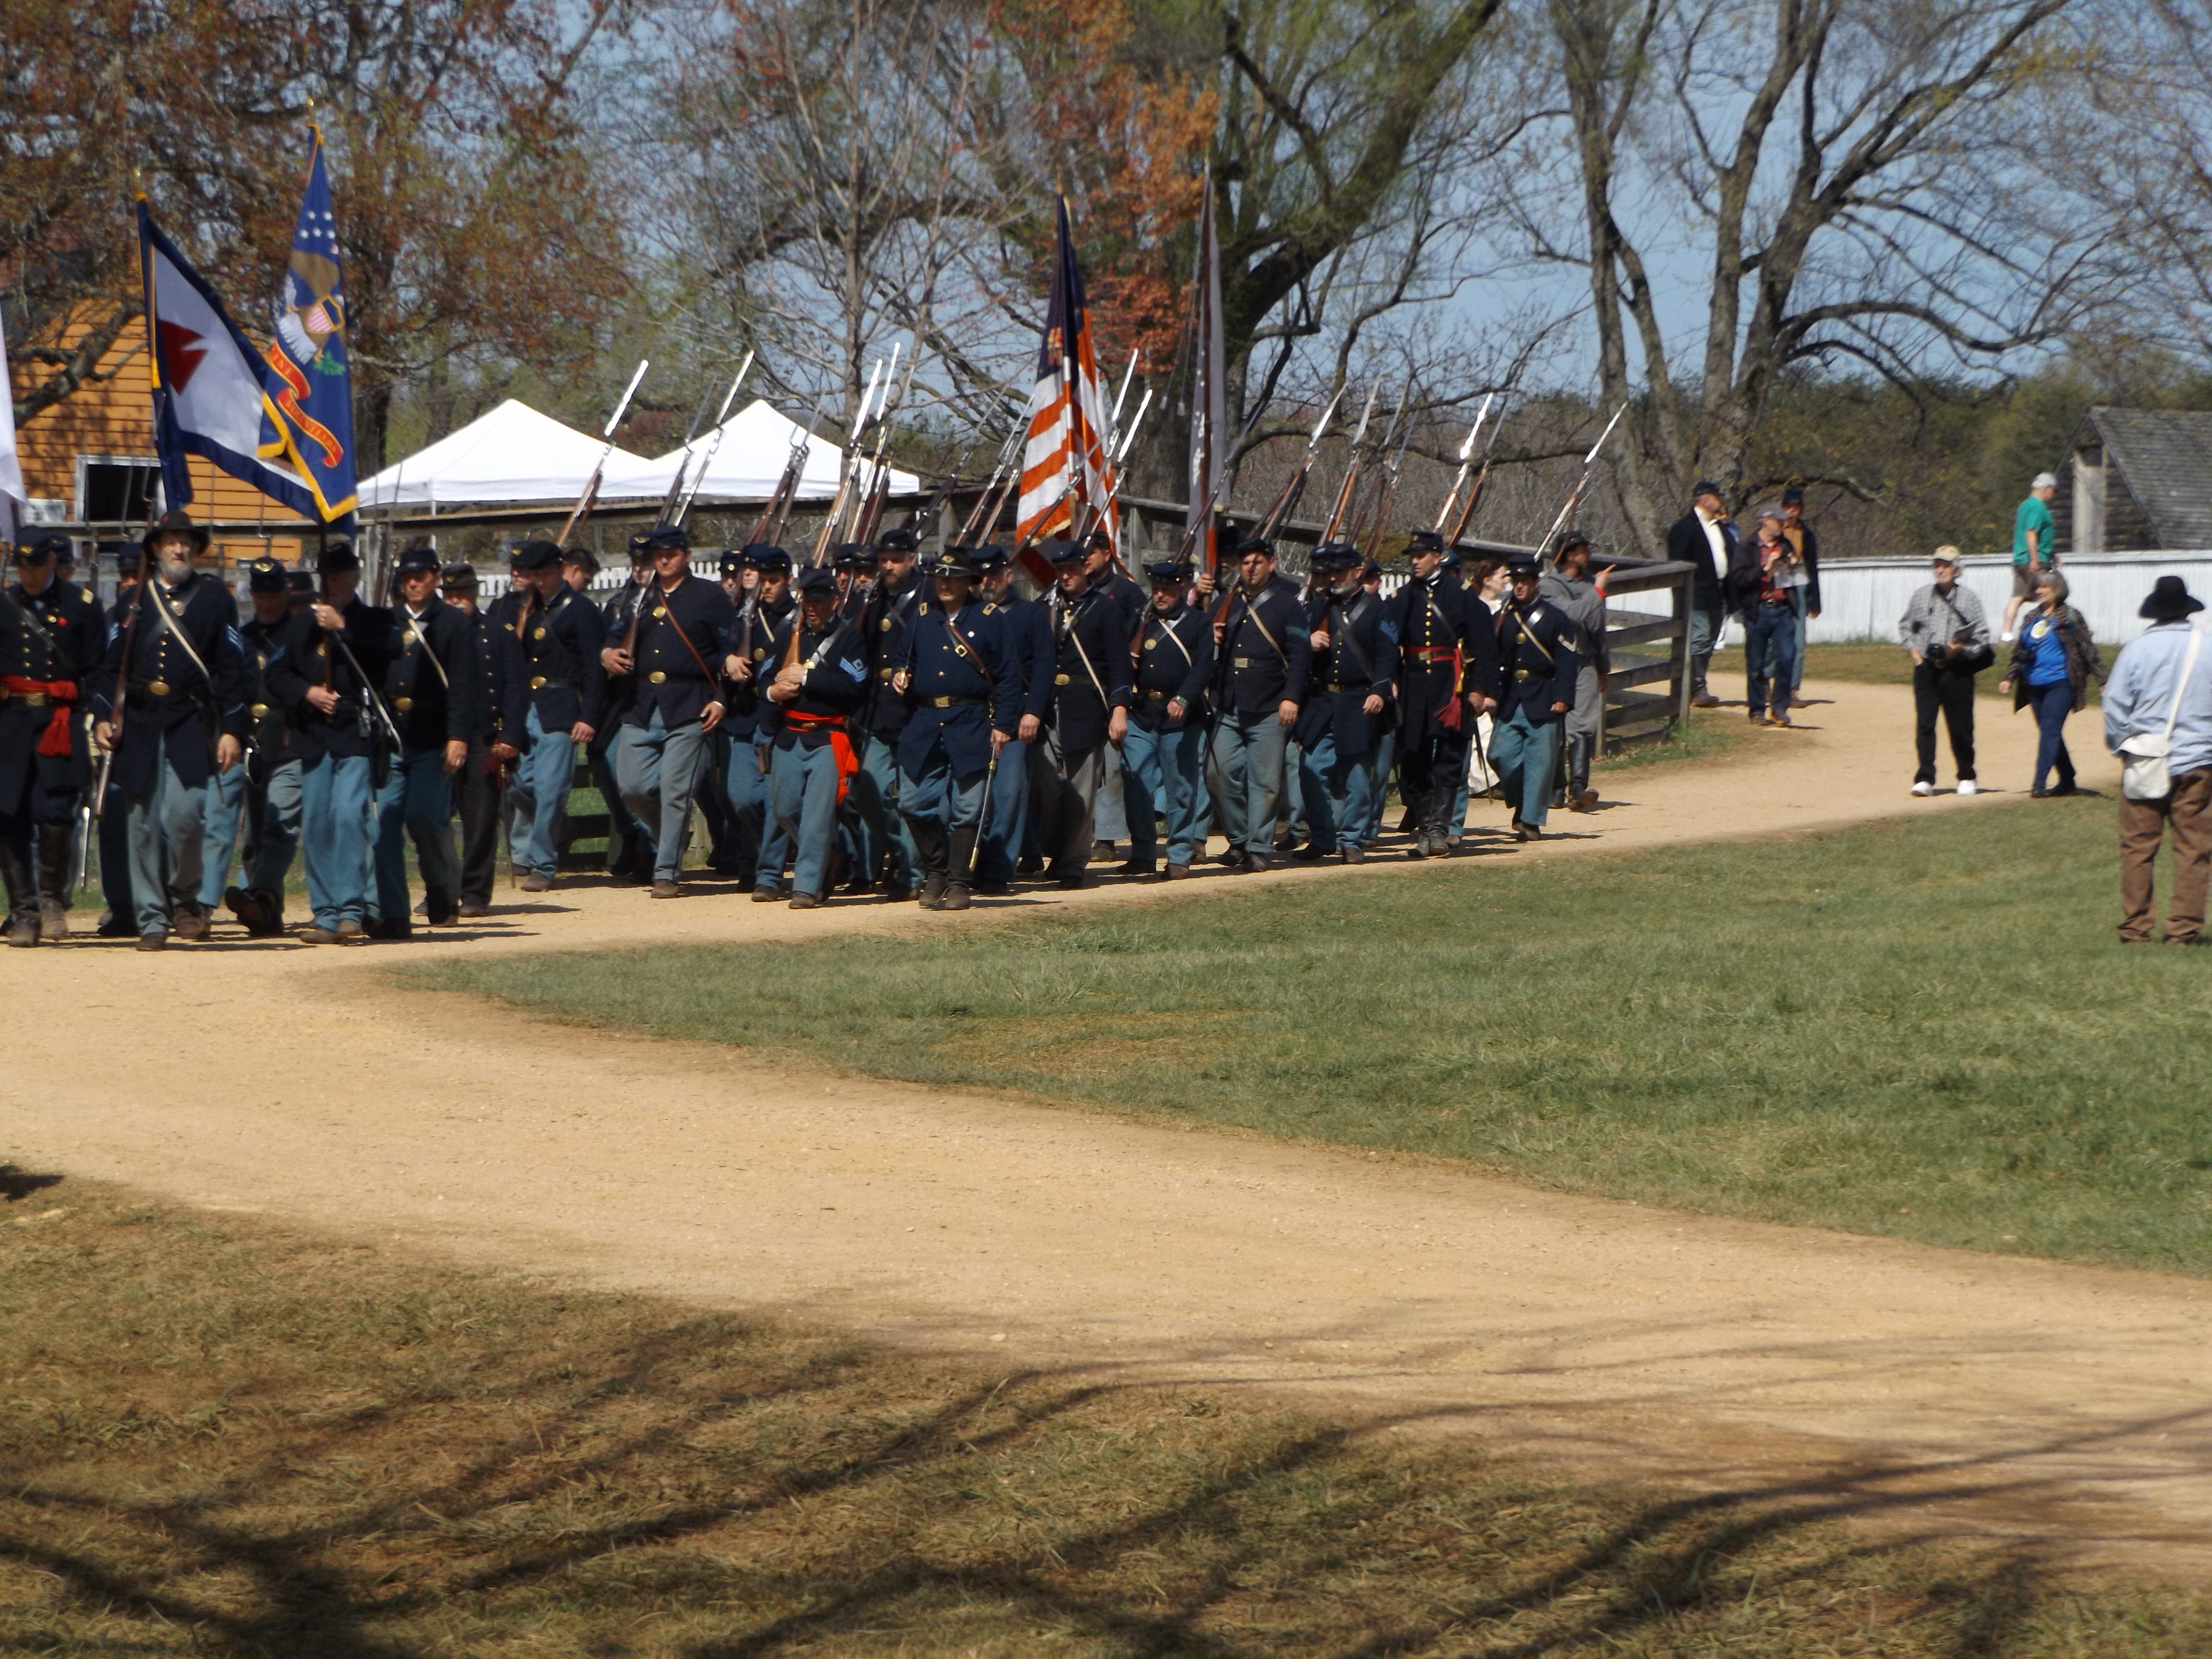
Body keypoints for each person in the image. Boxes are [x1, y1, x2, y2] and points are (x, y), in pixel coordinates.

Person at [89, 511, 248, 949]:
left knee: (187, 817)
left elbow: (232, 669)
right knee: (141, 824)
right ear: (157, 549)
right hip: (140, 722)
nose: (179, 549)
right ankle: (152, 919)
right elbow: (108, 668)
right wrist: (102, 716)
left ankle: (185, 896)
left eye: (185, 542)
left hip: (188, 720)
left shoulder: (215, 599)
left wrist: (232, 729)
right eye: (171, 542)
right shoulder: (132, 601)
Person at [269, 541, 396, 944]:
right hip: (313, 736)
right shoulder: (301, 626)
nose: (334, 584)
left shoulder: (373, 619)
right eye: (328, 577)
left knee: (348, 815)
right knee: (318, 824)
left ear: (355, 579)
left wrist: (343, 627)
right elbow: (276, 675)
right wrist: (306, 693)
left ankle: (352, 908)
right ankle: (325, 913)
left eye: (341, 577)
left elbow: (391, 647)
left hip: (355, 732)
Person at [608, 525, 734, 900]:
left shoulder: (709, 596)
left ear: (686, 555)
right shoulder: (639, 595)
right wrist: (607, 652)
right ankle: (669, 838)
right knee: (632, 787)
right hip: (642, 702)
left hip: (690, 703)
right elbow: (615, 634)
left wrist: (721, 699)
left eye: (672, 553)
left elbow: (729, 651)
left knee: (675, 791)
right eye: (659, 555)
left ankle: (666, 872)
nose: (664, 560)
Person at [893, 543, 1017, 910]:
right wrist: (900, 675)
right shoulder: (922, 616)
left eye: (953, 578)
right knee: (912, 802)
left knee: (969, 808)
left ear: (969, 582)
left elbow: (1008, 677)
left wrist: (1003, 724)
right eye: (939, 578)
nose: (944, 584)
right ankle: (937, 871)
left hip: (970, 722)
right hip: (925, 722)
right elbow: (903, 658)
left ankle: (959, 882)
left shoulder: (989, 618)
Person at [487, 537, 605, 892]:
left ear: (560, 569)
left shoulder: (581, 610)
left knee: (551, 791)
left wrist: (589, 716)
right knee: (518, 786)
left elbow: (594, 670)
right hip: (524, 709)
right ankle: (562, 829)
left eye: (546, 573)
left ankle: (543, 864)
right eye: (535, 574)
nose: (541, 580)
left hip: (561, 708)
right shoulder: (525, 609)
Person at [372, 540, 477, 933]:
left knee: (426, 819)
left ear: (435, 577)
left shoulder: (452, 623)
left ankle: (439, 887)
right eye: (407, 578)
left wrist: (458, 736)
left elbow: (463, 684)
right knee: (385, 827)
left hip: (433, 738)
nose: (413, 584)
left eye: (420, 576)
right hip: (394, 738)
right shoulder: (387, 621)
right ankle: (394, 913)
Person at [2104, 577, 2212, 944]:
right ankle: (2183, 929)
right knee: (2194, 848)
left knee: (2138, 847)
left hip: (2145, 760)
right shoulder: (2208, 647)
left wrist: (2122, 747)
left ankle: (2136, 927)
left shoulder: (2136, 651)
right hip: (2198, 760)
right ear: (2187, 609)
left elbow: (2115, 707)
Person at [6, 533, 103, 938]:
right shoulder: (5, 603)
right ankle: (24, 911)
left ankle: (51, 901)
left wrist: (100, 717)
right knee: (8, 815)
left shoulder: (81, 605)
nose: (28, 575)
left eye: (35, 566)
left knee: (56, 813)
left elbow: (97, 669)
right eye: (22, 567)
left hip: (58, 720)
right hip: (11, 722)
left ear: (51, 563)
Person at [761, 565, 867, 908]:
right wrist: (772, 693)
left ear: (835, 601)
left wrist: (806, 678)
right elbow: (765, 677)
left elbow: (854, 687)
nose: (812, 607)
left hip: (827, 737)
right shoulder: (788, 635)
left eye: (819, 600)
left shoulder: (850, 639)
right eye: (808, 600)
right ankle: (828, 854)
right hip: (789, 735)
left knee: (817, 818)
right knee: (784, 810)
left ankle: (806, 887)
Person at [1208, 533, 1310, 873]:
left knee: (1265, 782)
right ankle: (1238, 838)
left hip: (1269, 701)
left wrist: (1291, 697)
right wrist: (1211, 637)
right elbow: (1203, 647)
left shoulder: (1287, 604)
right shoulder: (1226, 601)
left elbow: (1300, 655)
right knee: (1219, 774)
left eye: (1257, 562)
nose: (1250, 568)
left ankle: (1258, 846)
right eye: (1245, 563)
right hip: (1228, 700)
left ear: (1272, 564)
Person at [1390, 530, 1495, 858]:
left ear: (1437, 557)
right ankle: (1426, 831)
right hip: (1413, 686)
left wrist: (1478, 690)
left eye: (1420, 555)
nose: (1415, 561)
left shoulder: (1461, 596)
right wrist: (1390, 681)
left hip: (1451, 685)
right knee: (1413, 759)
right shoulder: (1403, 597)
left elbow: (1483, 647)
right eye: (1412, 556)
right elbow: (1388, 645)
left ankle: (1439, 831)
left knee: (1450, 758)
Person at [215, 557, 306, 937]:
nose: (267, 602)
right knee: (253, 836)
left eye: (273, 594)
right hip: (253, 742)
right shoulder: (242, 638)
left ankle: (261, 893)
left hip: (290, 741)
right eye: (261, 595)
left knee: (280, 824)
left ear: (286, 593)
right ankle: (267, 912)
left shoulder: (300, 634)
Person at [1034, 537, 1132, 889]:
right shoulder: (1045, 606)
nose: (1066, 575)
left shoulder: (1104, 609)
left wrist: (1119, 710)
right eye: (1060, 570)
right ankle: (1057, 852)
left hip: (1086, 706)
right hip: (1048, 707)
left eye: (1072, 569)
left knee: (1081, 791)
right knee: (1046, 785)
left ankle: (1073, 863)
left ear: (1085, 567)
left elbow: (1120, 665)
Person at [1294, 541, 1396, 863]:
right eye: (1332, 572)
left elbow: (1388, 655)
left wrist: (1379, 691)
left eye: (1340, 571)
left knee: (1357, 778)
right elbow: (1295, 645)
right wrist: (1308, 642)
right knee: (1311, 768)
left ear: (1357, 572)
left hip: (1358, 700)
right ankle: (1323, 837)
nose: (1334, 577)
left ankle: (1352, 840)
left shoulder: (1377, 609)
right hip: (1323, 701)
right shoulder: (1319, 607)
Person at [1122, 557, 1212, 879]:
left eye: (1167, 590)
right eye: (1156, 588)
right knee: (1136, 783)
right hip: (1142, 713)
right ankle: (1143, 853)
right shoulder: (1141, 619)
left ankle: (1179, 855)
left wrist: (1184, 698)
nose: (1160, 595)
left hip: (1181, 718)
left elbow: (1203, 666)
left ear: (1182, 588)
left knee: (1180, 789)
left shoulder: (1198, 622)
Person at [974, 543, 1052, 893]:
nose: (987, 581)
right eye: (980, 576)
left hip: (1017, 714)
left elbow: (1044, 667)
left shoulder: (1030, 614)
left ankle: (1000, 869)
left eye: (993, 574)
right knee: (977, 797)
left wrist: (1033, 711)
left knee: (1009, 793)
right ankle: (973, 865)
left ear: (1008, 575)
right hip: (974, 715)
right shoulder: (970, 615)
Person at [854, 527, 925, 901]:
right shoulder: (871, 598)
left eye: (896, 560)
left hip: (914, 710)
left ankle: (912, 874)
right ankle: (902, 854)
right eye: (884, 560)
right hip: (876, 711)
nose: (888, 566)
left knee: (910, 797)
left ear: (912, 559)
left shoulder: (928, 595)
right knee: (868, 790)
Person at [1489, 553, 1579, 842]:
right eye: (1516, 581)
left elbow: (1567, 661)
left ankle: (1530, 821)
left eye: (1525, 581)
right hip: (1510, 698)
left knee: (1540, 765)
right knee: (1500, 755)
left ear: (1536, 583)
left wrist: (1563, 696)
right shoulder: (1503, 617)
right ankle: (1522, 803)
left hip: (1544, 697)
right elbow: (1491, 658)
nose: (1519, 586)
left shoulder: (1556, 618)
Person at [722, 544, 791, 894]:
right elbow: (721, 647)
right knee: (742, 797)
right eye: (763, 580)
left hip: (779, 719)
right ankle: (754, 859)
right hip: (745, 716)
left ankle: (767, 875)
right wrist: (728, 660)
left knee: (773, 800)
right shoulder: (744, 615)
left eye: (774, 580)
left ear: (788, 579)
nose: (767, 587)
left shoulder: (798, 617)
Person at [1998, 568, 2103, 797]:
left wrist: (2101, 679)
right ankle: (2067, 778)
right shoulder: (2031, 617)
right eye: (2038, 587)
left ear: (2058, 590)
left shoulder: (2070, 616)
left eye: (2045, 587)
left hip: (2062, 682)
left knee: (2050, 729)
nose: (2040, 591)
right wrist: (2009, 677)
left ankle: (2039, 783)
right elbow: (2021, 650)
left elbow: (2088, 649)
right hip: (2033, 685)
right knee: (2050, 731)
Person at [1898, 547, 1989, 797]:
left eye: (1946, 565)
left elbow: (1982, 636)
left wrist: (1962, 649)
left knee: (1960, 727)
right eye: (1937, 565)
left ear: (1957, 570)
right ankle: (1925, 778)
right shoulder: (1921, 596)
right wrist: (1914, 653)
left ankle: (1967, 775)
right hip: (1927, 669)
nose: (1940, 570)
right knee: (1925, 724)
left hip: (1957, 670)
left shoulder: (1968, 599)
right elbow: (1905, 626)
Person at [593, 534, 656, 881]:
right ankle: (629, 834)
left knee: (640, 780)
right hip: (619, 697)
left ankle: (649, 846)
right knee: (603, 762)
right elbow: (606, 643)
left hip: (654, 699)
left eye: (646, 563)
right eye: (636, 563)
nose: (640, 569)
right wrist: (607, 653)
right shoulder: (619, 605)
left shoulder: (668, 603)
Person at [440, 561, 501, 917]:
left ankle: (476, 893)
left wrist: (509, 736)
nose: (455, 600)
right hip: (439, 733)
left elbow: (513, 688)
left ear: (475, 594)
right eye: (449, 594)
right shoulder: (430, 633)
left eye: (462, 594)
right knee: (434, 818)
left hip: (482, 735)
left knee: (480, 818)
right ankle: (441, 889)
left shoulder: (495, 632)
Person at [1539, 532, 1609, 812]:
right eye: (1582, 550)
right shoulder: (1549, 585)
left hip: (1586, 660)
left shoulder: (1590, 583)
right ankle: (1556, 788)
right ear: (1569, 554)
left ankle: (1578, 787)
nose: (1588, 555)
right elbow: (1572, 615)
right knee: (1556, 724)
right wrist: (1598, 592)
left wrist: (1604, 667)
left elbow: (1599, 630)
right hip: (1556, 663)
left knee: (1583, 725)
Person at [1665, 481, 1737, 708]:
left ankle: (1692, 687)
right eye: (1717, 497)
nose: (1721, 501)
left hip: (1719, 591)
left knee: (1711, 639)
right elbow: (1677, 562)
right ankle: (1697, 689)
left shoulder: (1720, 528)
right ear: (1705, 500)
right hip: (1697, 592)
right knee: (1700, 637)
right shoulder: (1685, 528)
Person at [1737, 506, 1802, 728]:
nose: (1783, 525)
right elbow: (1740, 579)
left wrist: (1793, 564)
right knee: (1756, 663)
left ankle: (1780, 709)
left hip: (1783, 609)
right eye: (1779, 521)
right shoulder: (1747, 547)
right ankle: (1757, 711)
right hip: (1759, 610)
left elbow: (1798, 576)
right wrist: (1766, 568)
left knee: (1786, 657)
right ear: (1766, 521)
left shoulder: (1784, 545)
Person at [2002, 471, 2060, 644]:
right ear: (2046, 488)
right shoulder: (2038, 507)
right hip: (2035, 560)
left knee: (2018, 597)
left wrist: (2054, 555)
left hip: (2020, 559)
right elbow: (2031, 532)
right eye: (2054, 491)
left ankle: (2006, 634)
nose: (2053, 495)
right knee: (2051, 593)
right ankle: (2046, 630)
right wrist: (2035, 559)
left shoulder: (2024, 505)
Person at [1779, 487, 1822, 707]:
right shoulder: (1774, 531)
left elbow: (1813, 568)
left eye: (1795, 507)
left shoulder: (1807, 534)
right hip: (1777, 586)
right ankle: (1766, 682)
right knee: (1773, 641)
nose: (1792, 510)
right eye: (1788, 506)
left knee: (1798, 641)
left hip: (1801, 586)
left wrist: (1816, 601)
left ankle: (1793, 689)